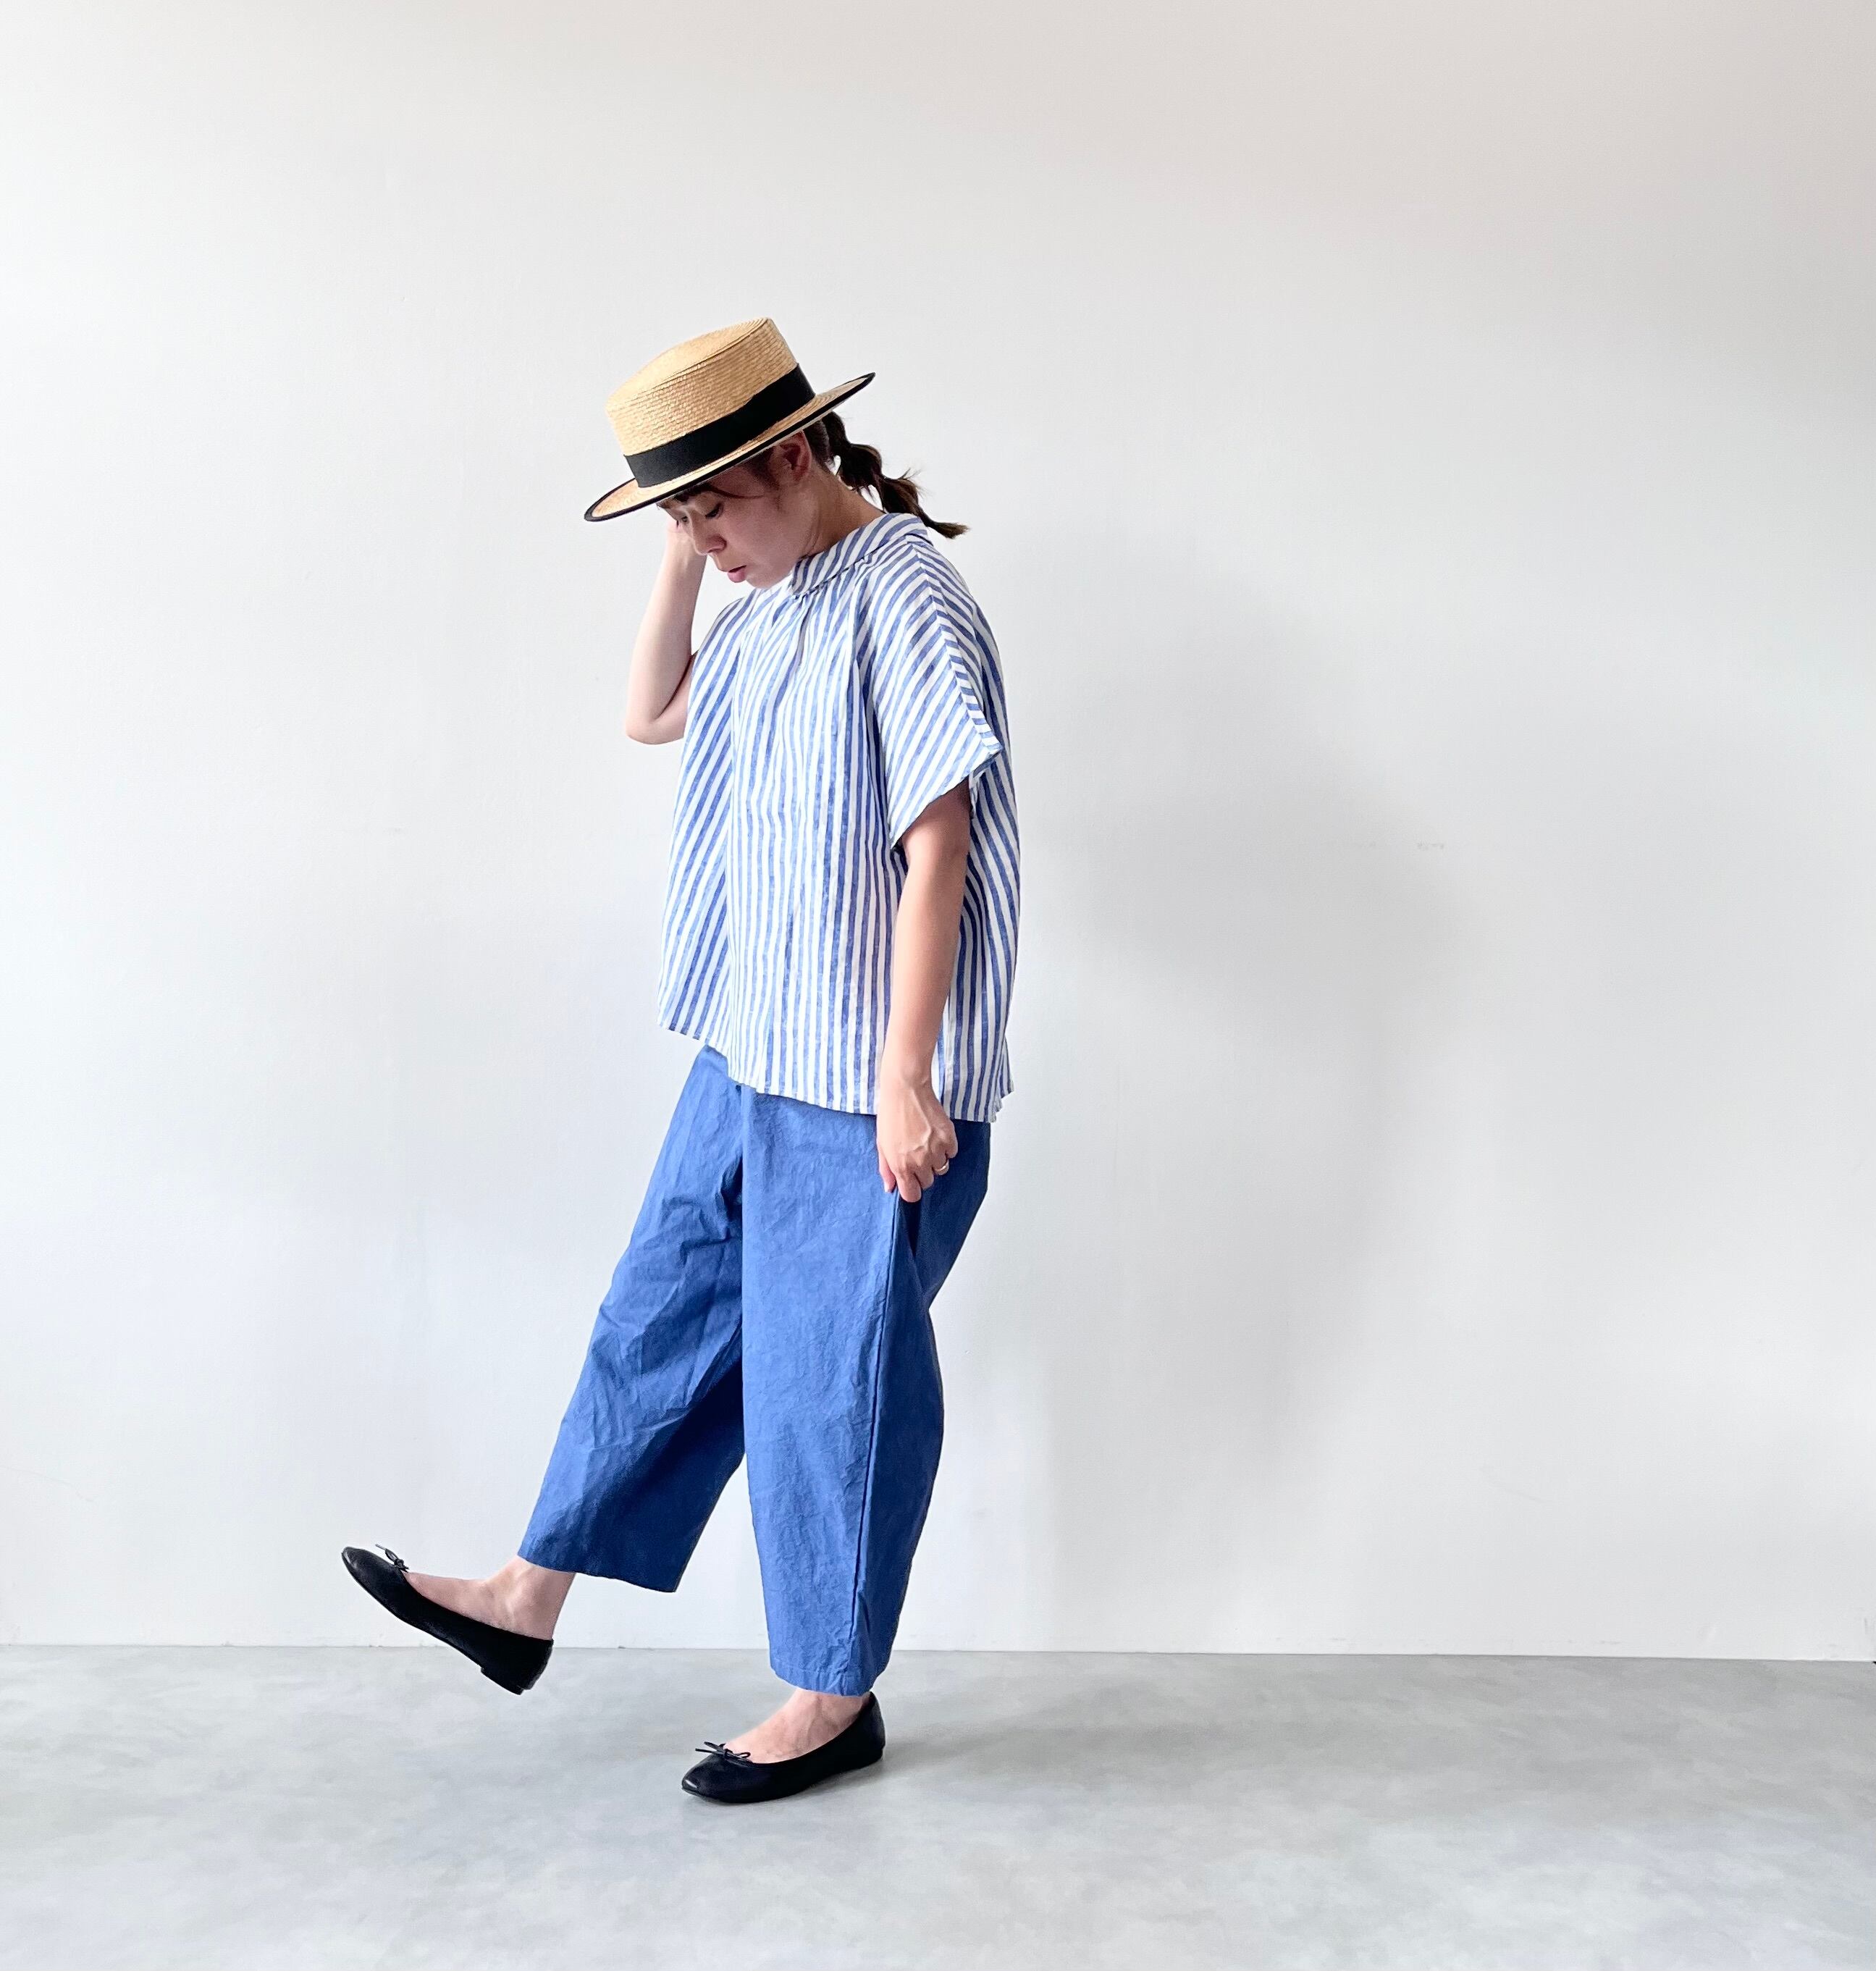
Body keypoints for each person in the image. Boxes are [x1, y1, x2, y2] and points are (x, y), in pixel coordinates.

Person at [342, 318, 1020, 1804]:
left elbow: (940, 844)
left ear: (796, 454)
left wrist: (909, 1074)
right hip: (757, 1043)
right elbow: (652, 709)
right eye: (681, 514)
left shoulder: (900, 591)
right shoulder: (767, 600)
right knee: (658, 1316)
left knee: (827, 1386)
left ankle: (832, 1693)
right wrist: (684, 540)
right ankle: (528, 1595)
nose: (705, 540)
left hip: (862, 1074)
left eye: (713, 505)